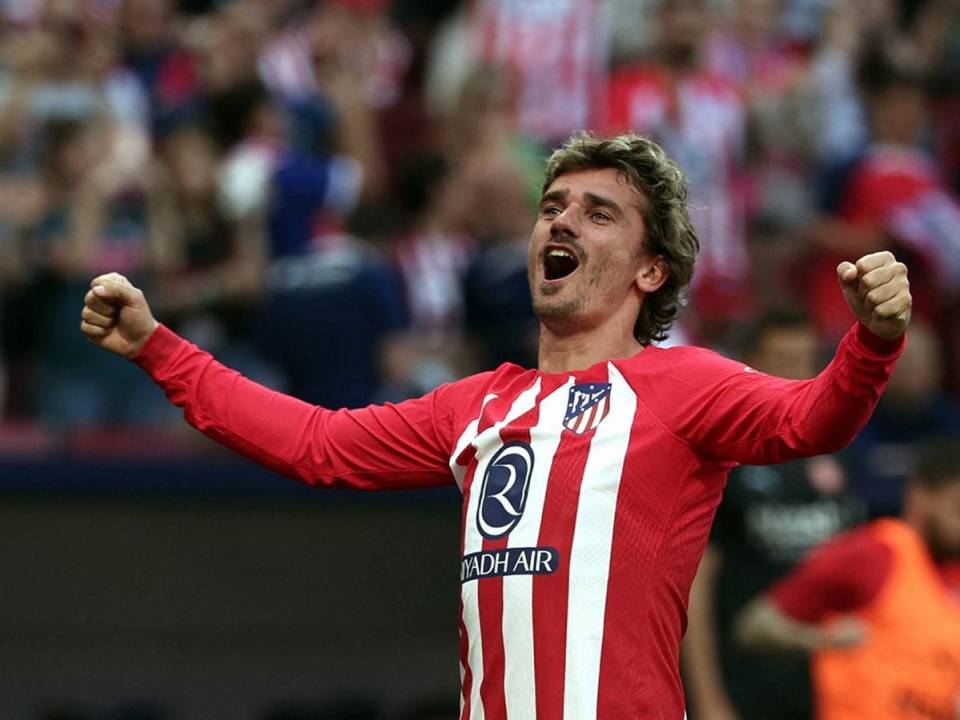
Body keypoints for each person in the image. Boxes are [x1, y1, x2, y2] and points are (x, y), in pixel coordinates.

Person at [80, 132, 911, 719]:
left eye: (597, 213)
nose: (560, 222)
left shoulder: (685, 384)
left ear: (651, 270)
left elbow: (814, 419)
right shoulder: (473, 405)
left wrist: (872, 341)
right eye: (553, 207)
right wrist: (159, 349)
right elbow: (315, 445)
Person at [682, 311, 867, 720]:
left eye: (803, 360)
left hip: (830, 686)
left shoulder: (843, 453)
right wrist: (709, 699)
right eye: (780, 359)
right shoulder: (725, 456)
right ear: (751, 364)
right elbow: (696, 585)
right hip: (746, 683)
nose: (793, 372)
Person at [734, 437, 960, 720]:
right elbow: (755, 626)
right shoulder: (872, 555)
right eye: (956, 507)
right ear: (922, 495)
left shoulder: (951, 571)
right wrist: (822, 640)